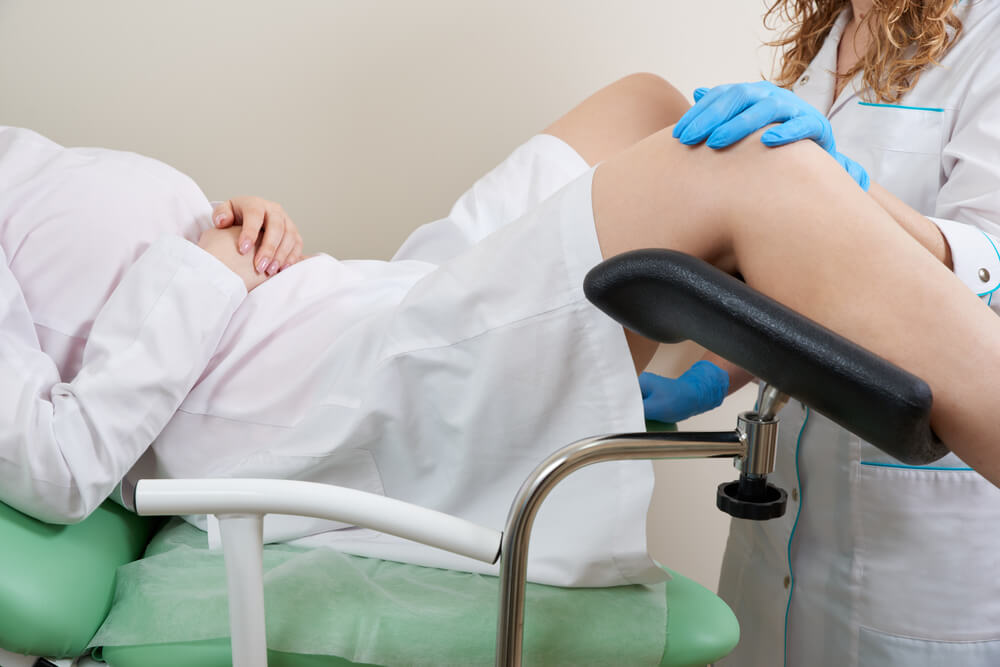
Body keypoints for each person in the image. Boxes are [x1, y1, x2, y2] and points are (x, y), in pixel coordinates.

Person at [2, 61, 1000, 592]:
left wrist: (232, 227)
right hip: (331, 397)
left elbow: (92, 282)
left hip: (352, 307)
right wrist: (197, 269)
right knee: (743, 160)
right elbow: (59, 460)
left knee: (647, 102)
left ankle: (753, 279)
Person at [637, 0, 1000, 664]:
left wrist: (839, 191)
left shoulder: (990, 35)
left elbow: (989, 266)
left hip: (923, 546)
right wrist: (716, 371)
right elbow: (807, 277)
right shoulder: (827, 38)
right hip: (780, 527)